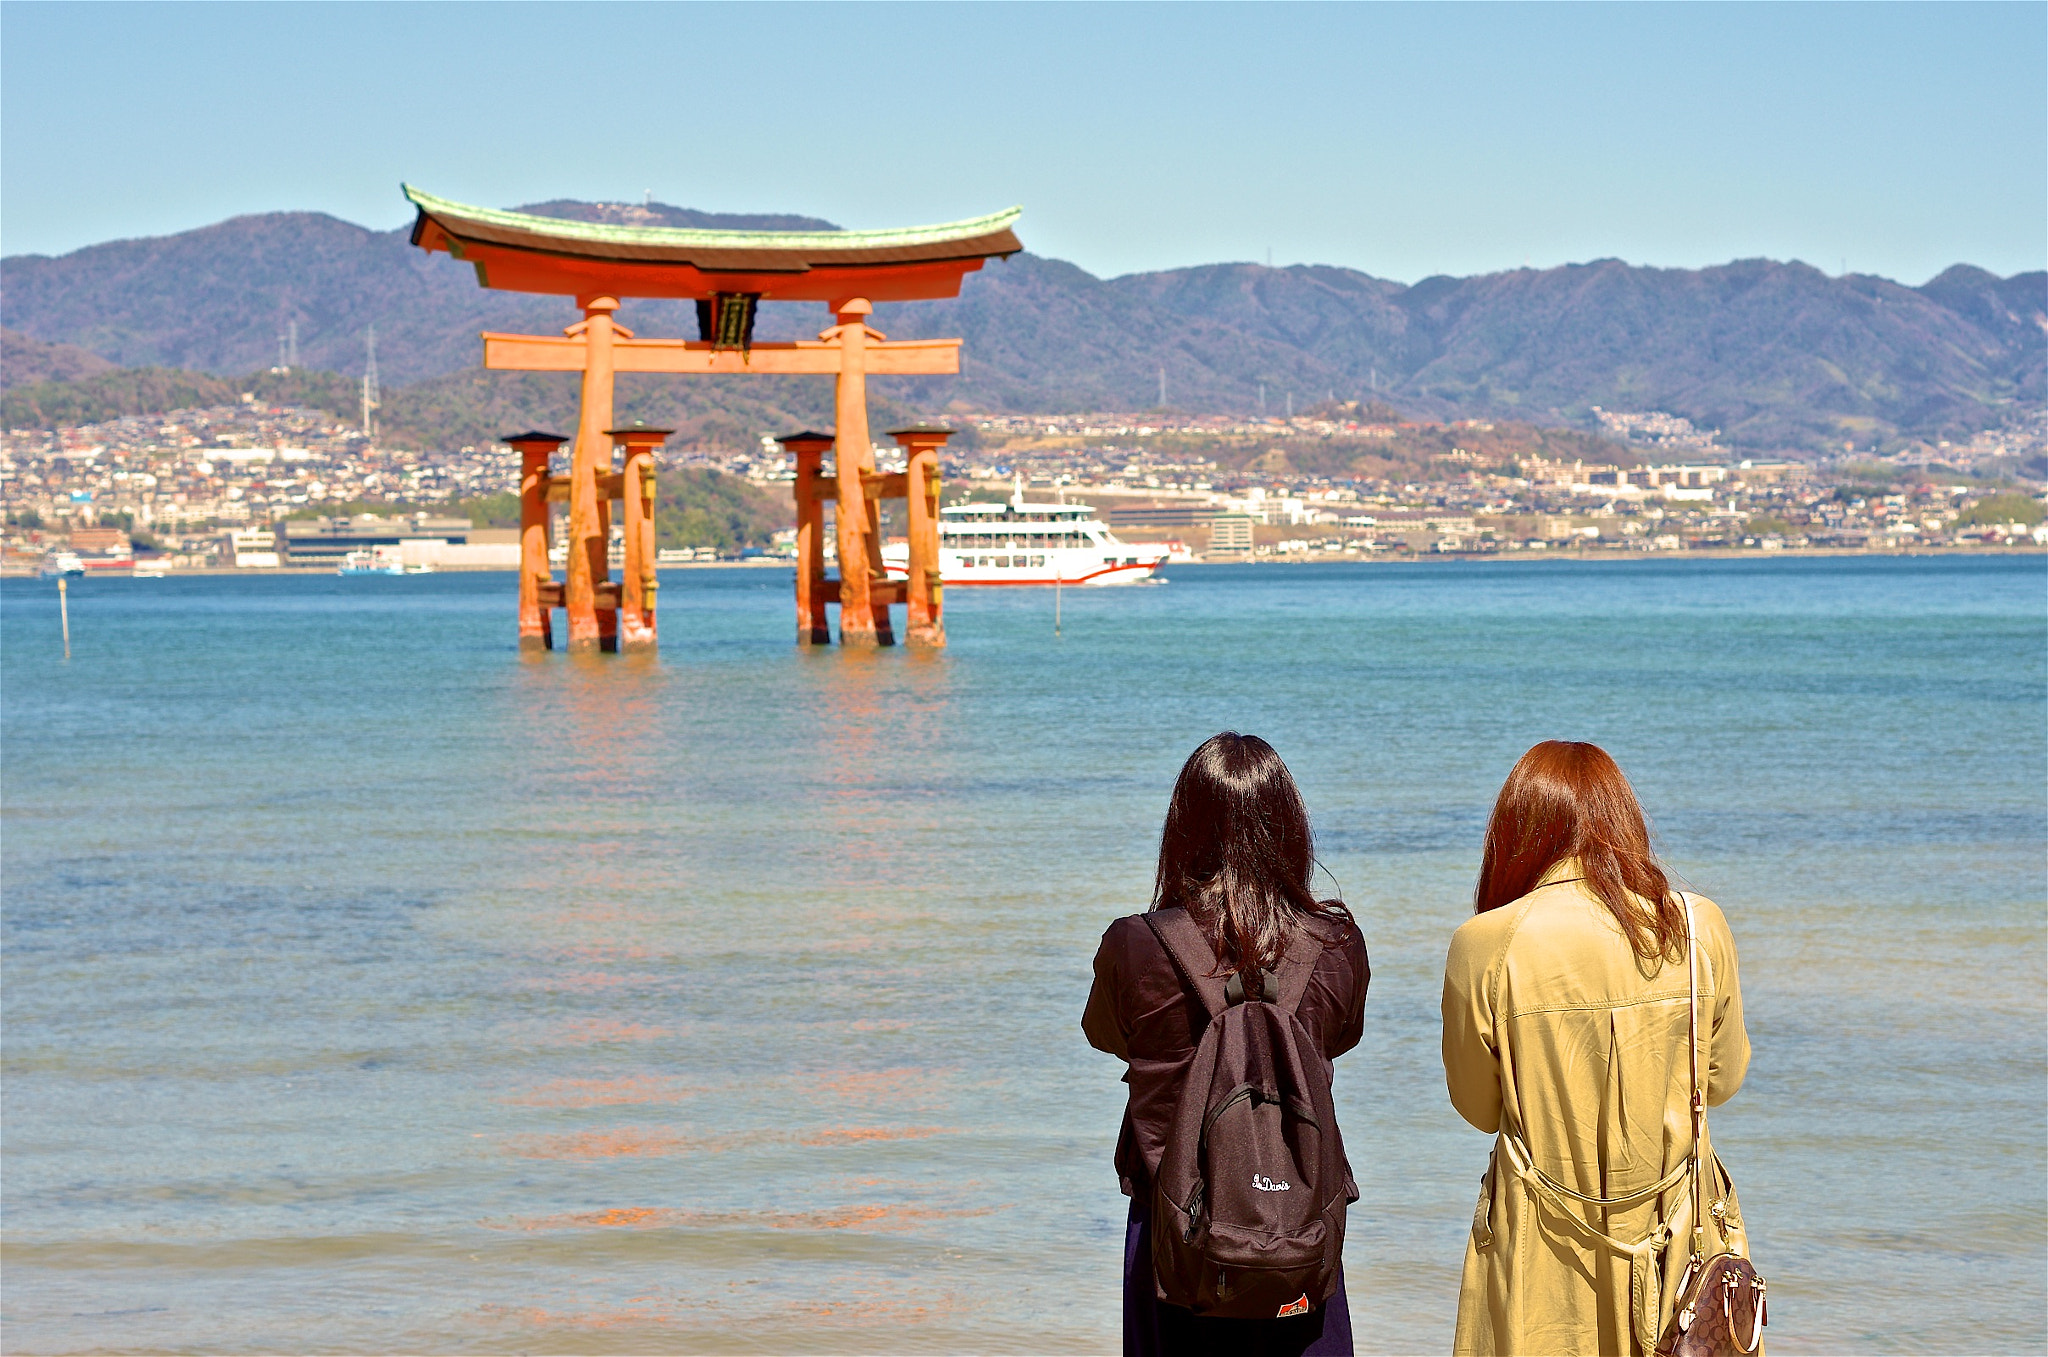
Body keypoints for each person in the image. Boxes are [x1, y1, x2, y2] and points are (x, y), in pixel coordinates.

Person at [1442, 741, 1753, 1357]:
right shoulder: (1696, 929)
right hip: (1680, 1244)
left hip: (1543, 1254)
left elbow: (1479, 1108)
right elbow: (1721, 1081)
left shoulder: (1485, 944)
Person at [1084, 732, 1371, 1357]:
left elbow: (1103, 1034)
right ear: (1290, 828)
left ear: (1181, 831)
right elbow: (1343, 1036)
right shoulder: (1336, 945)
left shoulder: (1135, 945)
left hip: (1175, 1240)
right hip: (1296, 1230)